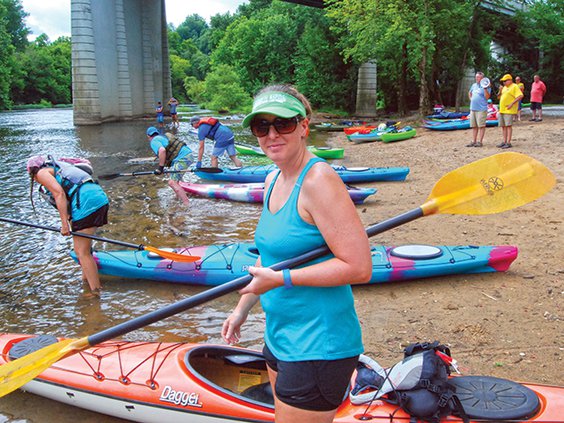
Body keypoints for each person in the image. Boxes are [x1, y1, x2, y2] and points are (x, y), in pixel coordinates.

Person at [221, 84, 372, 422]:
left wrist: (280, 280)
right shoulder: (273, 177)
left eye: (283, 124)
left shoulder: (318, 180)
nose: (272, 134)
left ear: (304, 126)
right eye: (262, 127)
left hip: (318, 345)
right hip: (280, 337)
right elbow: (270, 256)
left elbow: (360, 267)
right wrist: (242, 308)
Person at [26, 155, 109, 296]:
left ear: (32, 171)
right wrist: (69, 219)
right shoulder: (58, 168)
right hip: (98, 198)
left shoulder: (41, 173)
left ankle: (95, 293)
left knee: (81, 252)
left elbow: (59, 194)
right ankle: (87, 282)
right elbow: (68, 194)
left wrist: (64, 224)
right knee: (85, 250)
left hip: (86, 201)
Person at [146, 126, 193, 205]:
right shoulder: (161, 137)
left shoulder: (153, 141)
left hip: (183, 158)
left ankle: (187, 204)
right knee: (172, 176)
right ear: (157, 133)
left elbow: (162, 150)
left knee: (172, 182)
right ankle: (178, 197)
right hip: (188, 155)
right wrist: (163, 168)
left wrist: (160, 168)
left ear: (148, 136)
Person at [497, 74, 524, 149]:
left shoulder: (514, 86)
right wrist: (500, 90)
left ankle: (508, 142)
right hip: (502, 109)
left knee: (508, 126)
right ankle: (504, 141)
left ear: (510, 80)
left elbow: (520, 96)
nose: (504, 82)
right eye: (503, 81)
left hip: (508, 110)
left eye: (505, 81)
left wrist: (512, 104)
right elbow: (499, 97)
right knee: (503, 126)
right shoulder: (504, 88)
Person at [466, 71, 491, 147]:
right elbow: (469, 93)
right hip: (473, 108)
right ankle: (474, 141)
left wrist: (485, 88)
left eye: (479, 77)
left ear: (482, 78)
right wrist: (471, 99)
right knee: (474, 126)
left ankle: (480, 141)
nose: (477, 78)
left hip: (481, 109)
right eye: (476, 77)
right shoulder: (473, 85)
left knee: (481, 126)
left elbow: (487, 97)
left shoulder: (487, 86)